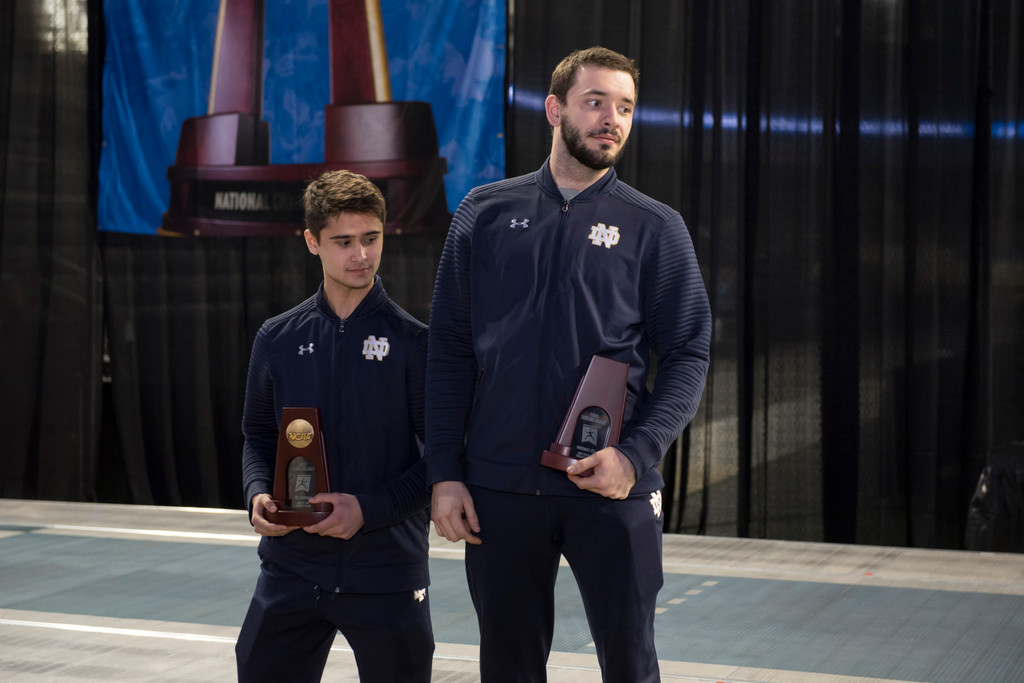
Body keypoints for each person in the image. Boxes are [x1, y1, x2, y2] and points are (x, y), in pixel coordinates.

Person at [425, 46, 712, 682]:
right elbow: (447, 350)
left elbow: (690, 353)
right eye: (595, 102)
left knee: (631, 665)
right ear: (555, 110)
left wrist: (635, 456)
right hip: (499, 490)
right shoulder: (483, 212)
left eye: (626, 107)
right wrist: (444, 472)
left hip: (608, 487)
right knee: (509, 667)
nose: (613, 118)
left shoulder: (655, 227)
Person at [235, 169, 434, 682]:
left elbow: (441, 458)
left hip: (386, 570)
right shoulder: (277, 338)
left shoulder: (416, 344)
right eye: (343, 242)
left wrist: (368, 510)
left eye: (371, 239)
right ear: (311, 242)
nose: (361, 255)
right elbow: (258, 437)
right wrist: (257, 492)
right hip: (292, 567)